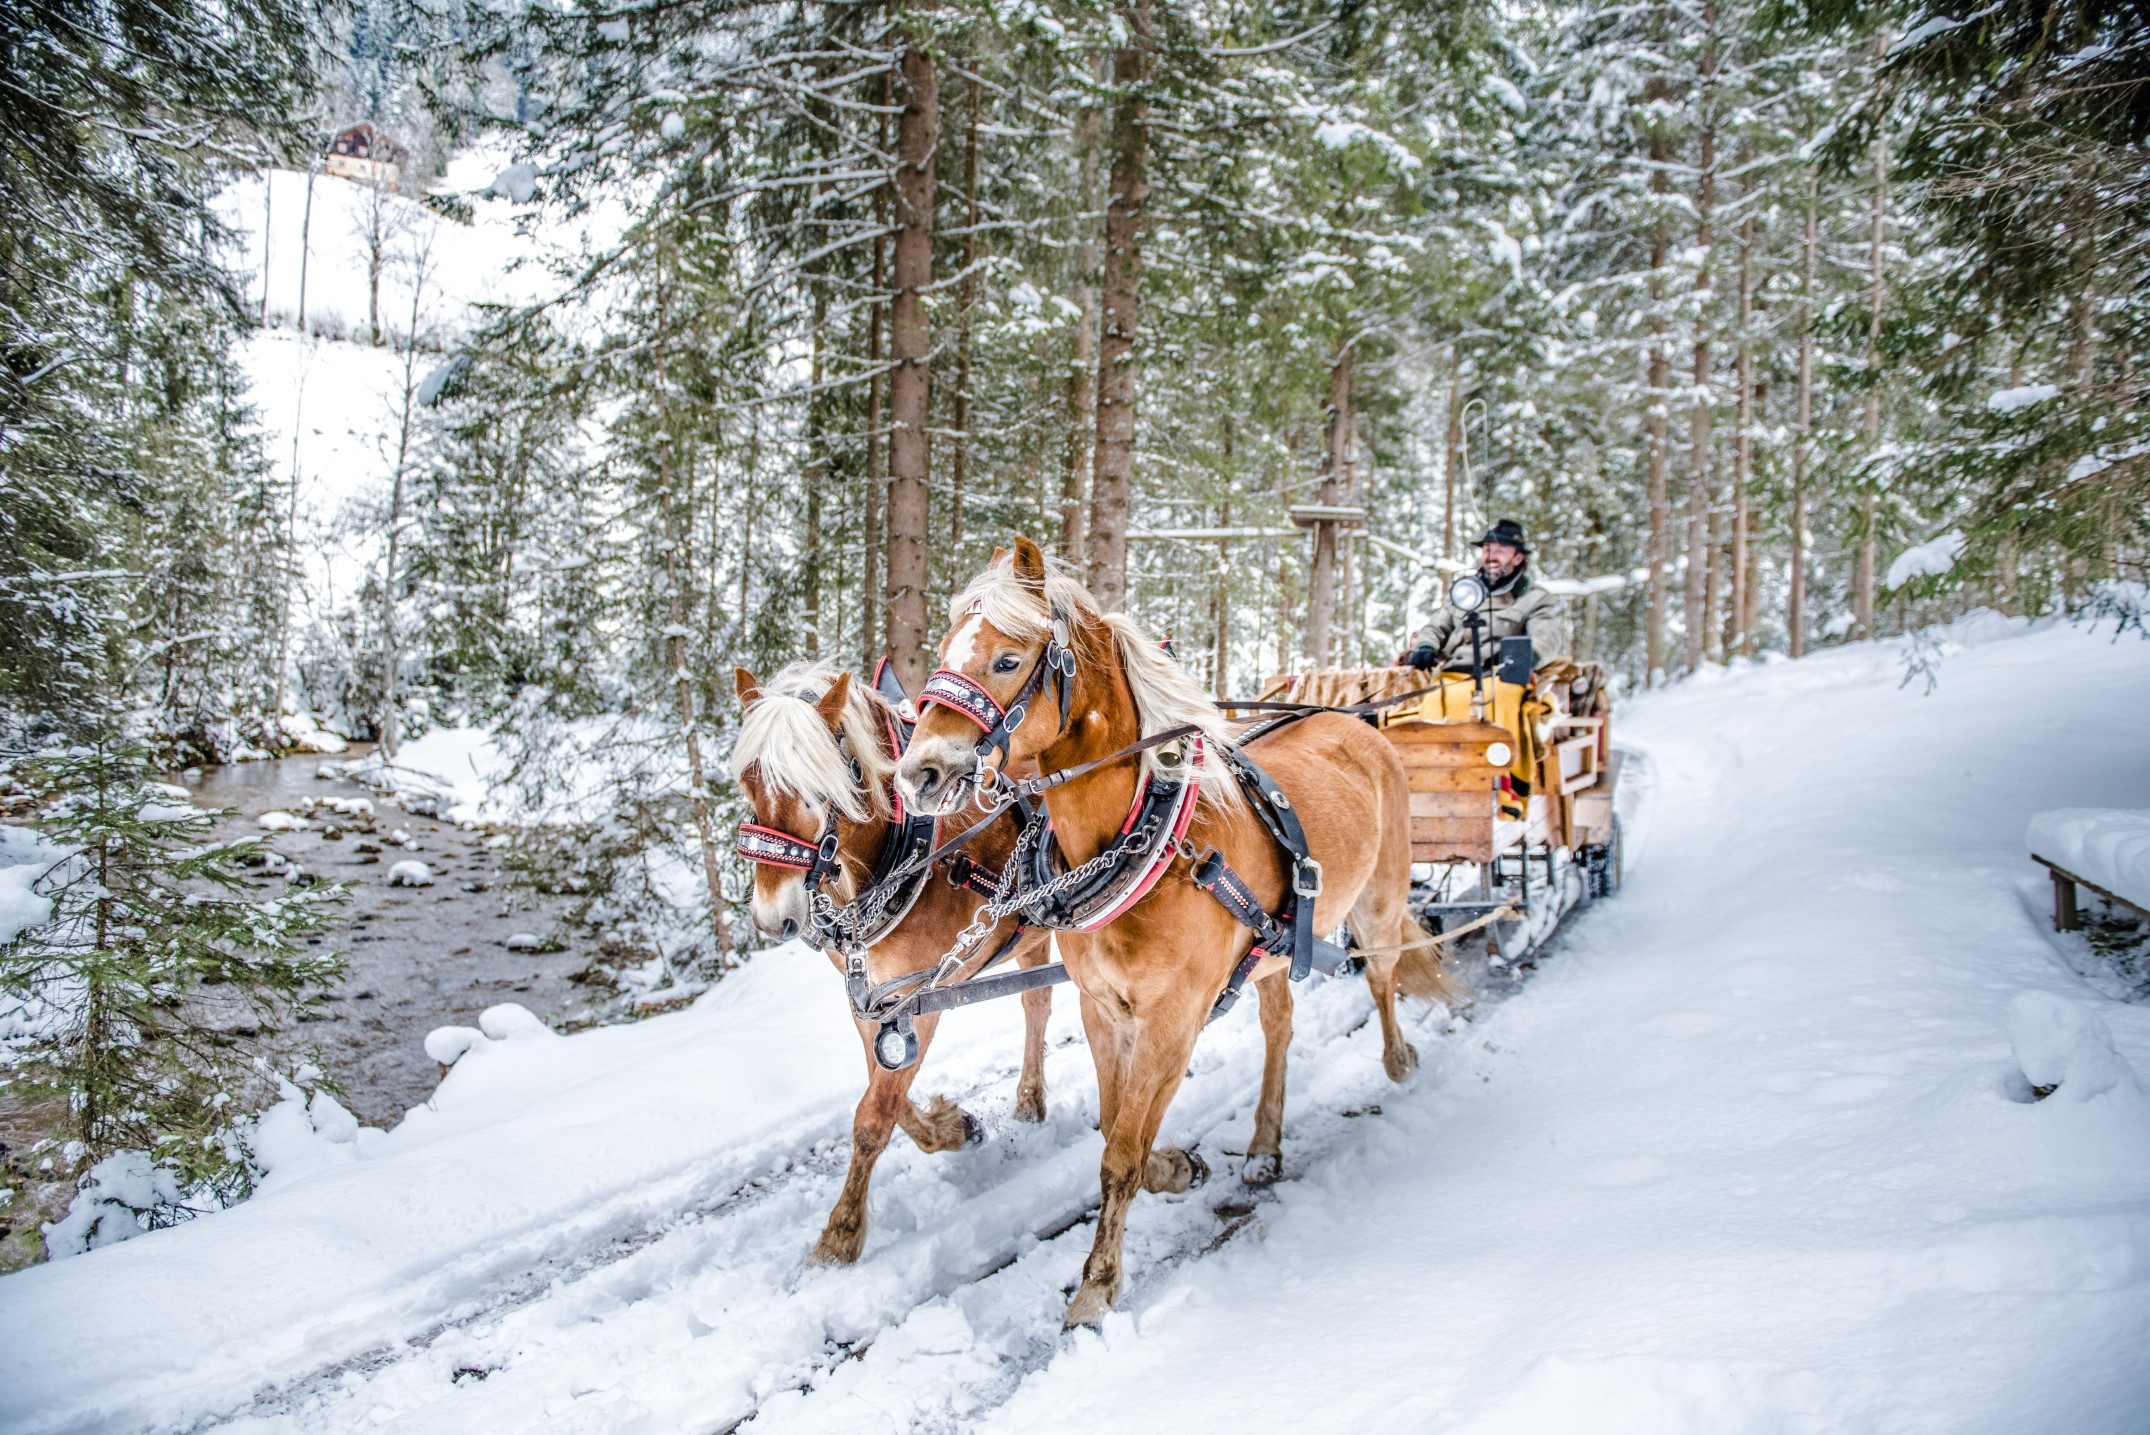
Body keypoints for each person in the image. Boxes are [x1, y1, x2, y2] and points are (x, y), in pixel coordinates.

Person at [1405, 519, 1568, 674]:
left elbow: (1546, 639)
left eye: (1500, 550)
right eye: (1487, 549)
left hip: (1499, 679)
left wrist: (1519, 659)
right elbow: (1437, 626)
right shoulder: (1465, 591)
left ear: (1518, 558)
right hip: (1449, 674)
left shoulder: (1535, 598)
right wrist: (1425, 646)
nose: (1491, 556)